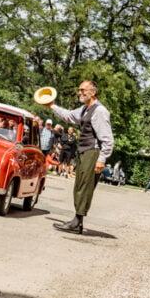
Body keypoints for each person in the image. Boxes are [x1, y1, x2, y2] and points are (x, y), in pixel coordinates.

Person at [49, 80, 114, 234]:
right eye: (79, 90)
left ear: (93, 92)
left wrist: (102, 159)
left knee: (85, 187)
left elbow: (107, 139)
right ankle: (77, 221)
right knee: (79, 186)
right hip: (84, 151)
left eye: (83, 90)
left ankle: (77, 221)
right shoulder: (85, 109)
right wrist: (52, 105)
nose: (80, 93)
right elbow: (68, 116)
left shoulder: (99, 111)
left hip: (93, 152)